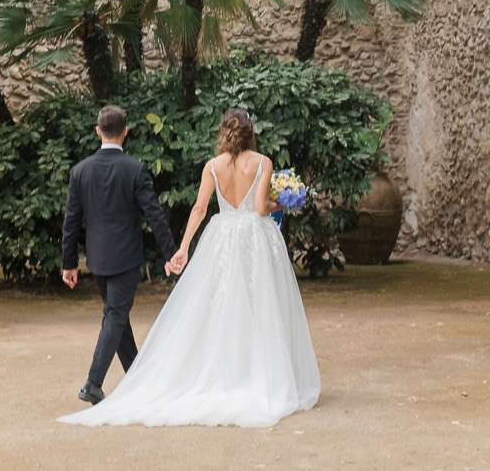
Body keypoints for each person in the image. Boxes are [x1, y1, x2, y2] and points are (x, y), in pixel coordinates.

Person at [59, 106, 321, 428]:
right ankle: (259, 374)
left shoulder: (212, 166)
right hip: (255, 238)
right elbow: (259, 207)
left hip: (221, 238)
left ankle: (216, 374)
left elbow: (199, 209)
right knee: (262, 305)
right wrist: (282, 202)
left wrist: (182, 249)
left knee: (221, 306)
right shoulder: (263, 162)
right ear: (251, 132)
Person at [60, 104, 180, 406]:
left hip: (98, 259)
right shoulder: (135, 169)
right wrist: (170, 253)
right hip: (126, 258)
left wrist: (69, 263)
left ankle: (136, 378)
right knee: (115, 315)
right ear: (125, 132)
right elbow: (155, 215)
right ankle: (93, 383)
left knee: (118, 317)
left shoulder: (79, 171)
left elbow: (71, 221)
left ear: (98, 131)